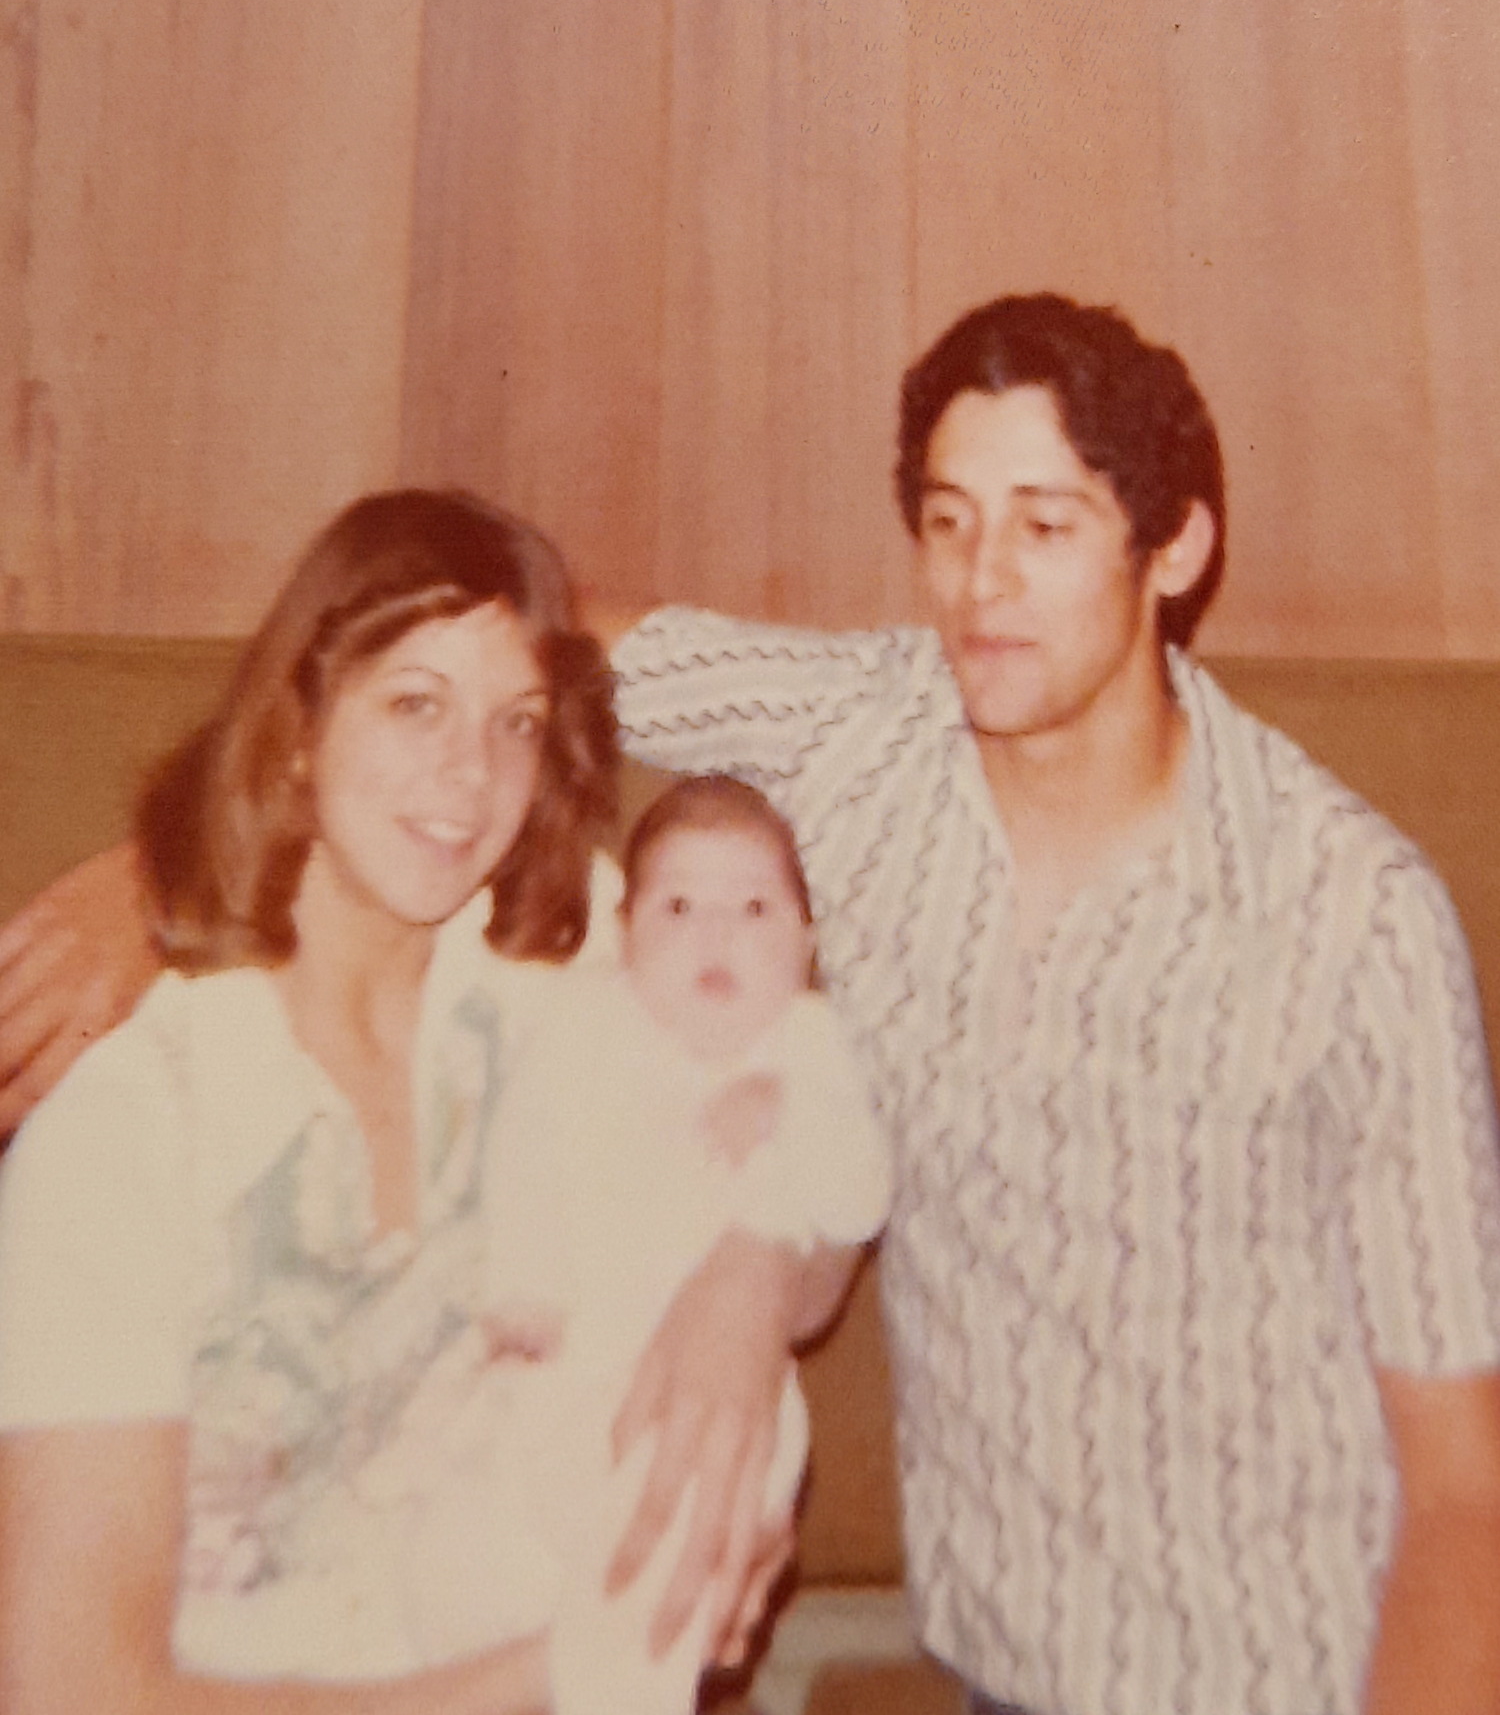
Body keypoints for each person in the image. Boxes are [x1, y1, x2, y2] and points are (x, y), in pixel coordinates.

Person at [8, 293, 1500, 1713]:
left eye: (1045, 527)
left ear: (1176, 548)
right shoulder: (862, 741)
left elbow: (1465, 1490)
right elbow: (491, 627)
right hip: (1007, 1671)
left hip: (1305, 1670)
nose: (981, 582)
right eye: (948, 521)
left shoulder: (1354, 920)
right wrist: (182, 863)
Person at [0, 491, 802, 1712]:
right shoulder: (136, 1124)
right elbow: (72, 1687)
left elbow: (799, 1113)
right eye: (415, 703)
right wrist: (566, 1670)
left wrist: (746, 1299)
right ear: (300, 728)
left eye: (515, 721)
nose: (470, 774)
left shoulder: (567, 963)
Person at [402, 774, 890, 1715]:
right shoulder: (588, 1023)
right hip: (564, 1367)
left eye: (754, 909)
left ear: (807, 943)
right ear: (624, 935)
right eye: (678, 907)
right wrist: (525, 1282)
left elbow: (860, 1196)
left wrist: (791, 1120)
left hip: (718, 1407)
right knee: (461, 1545)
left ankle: (623, 1689)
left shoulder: (809, 1047)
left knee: (672, 1566)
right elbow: (526, 1146)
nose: (716, 935)